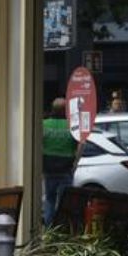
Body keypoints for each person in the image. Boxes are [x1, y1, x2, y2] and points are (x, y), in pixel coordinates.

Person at [42, 97, 79, 226]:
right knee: (65, 201)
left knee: (49, 199)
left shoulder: (43, 124)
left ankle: (48, 227)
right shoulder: (72, 126)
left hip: (49, 169)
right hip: (66, 168)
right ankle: (62, 227)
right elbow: (77, 145)